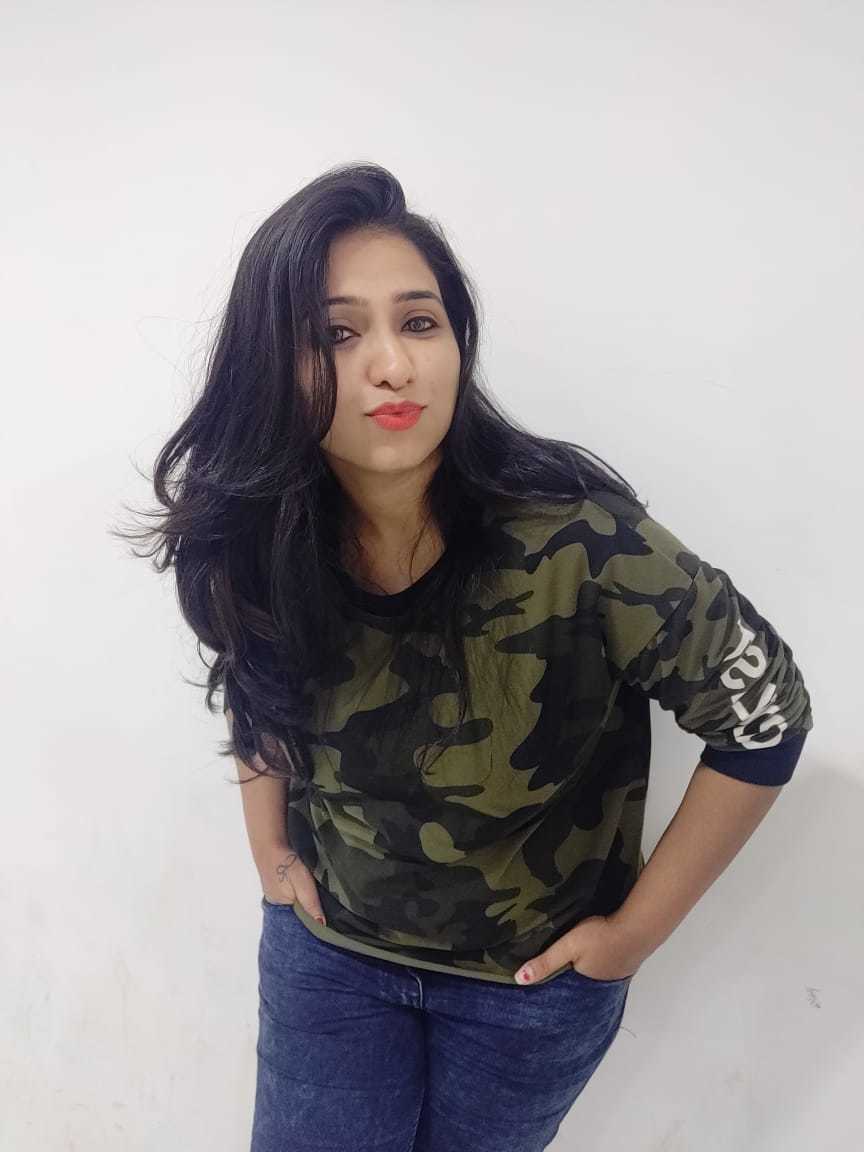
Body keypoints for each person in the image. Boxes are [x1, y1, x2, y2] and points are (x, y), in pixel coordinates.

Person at [122, 162, 814, 1151]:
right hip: (331, 961)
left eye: (419, 322)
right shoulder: (260, 537)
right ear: (271, 364)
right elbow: (258, 682)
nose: (392, 365)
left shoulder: (584, 546)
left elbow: (766, 718)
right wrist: (268, 851)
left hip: (525, 995)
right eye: (337, 334)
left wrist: (634, 937)